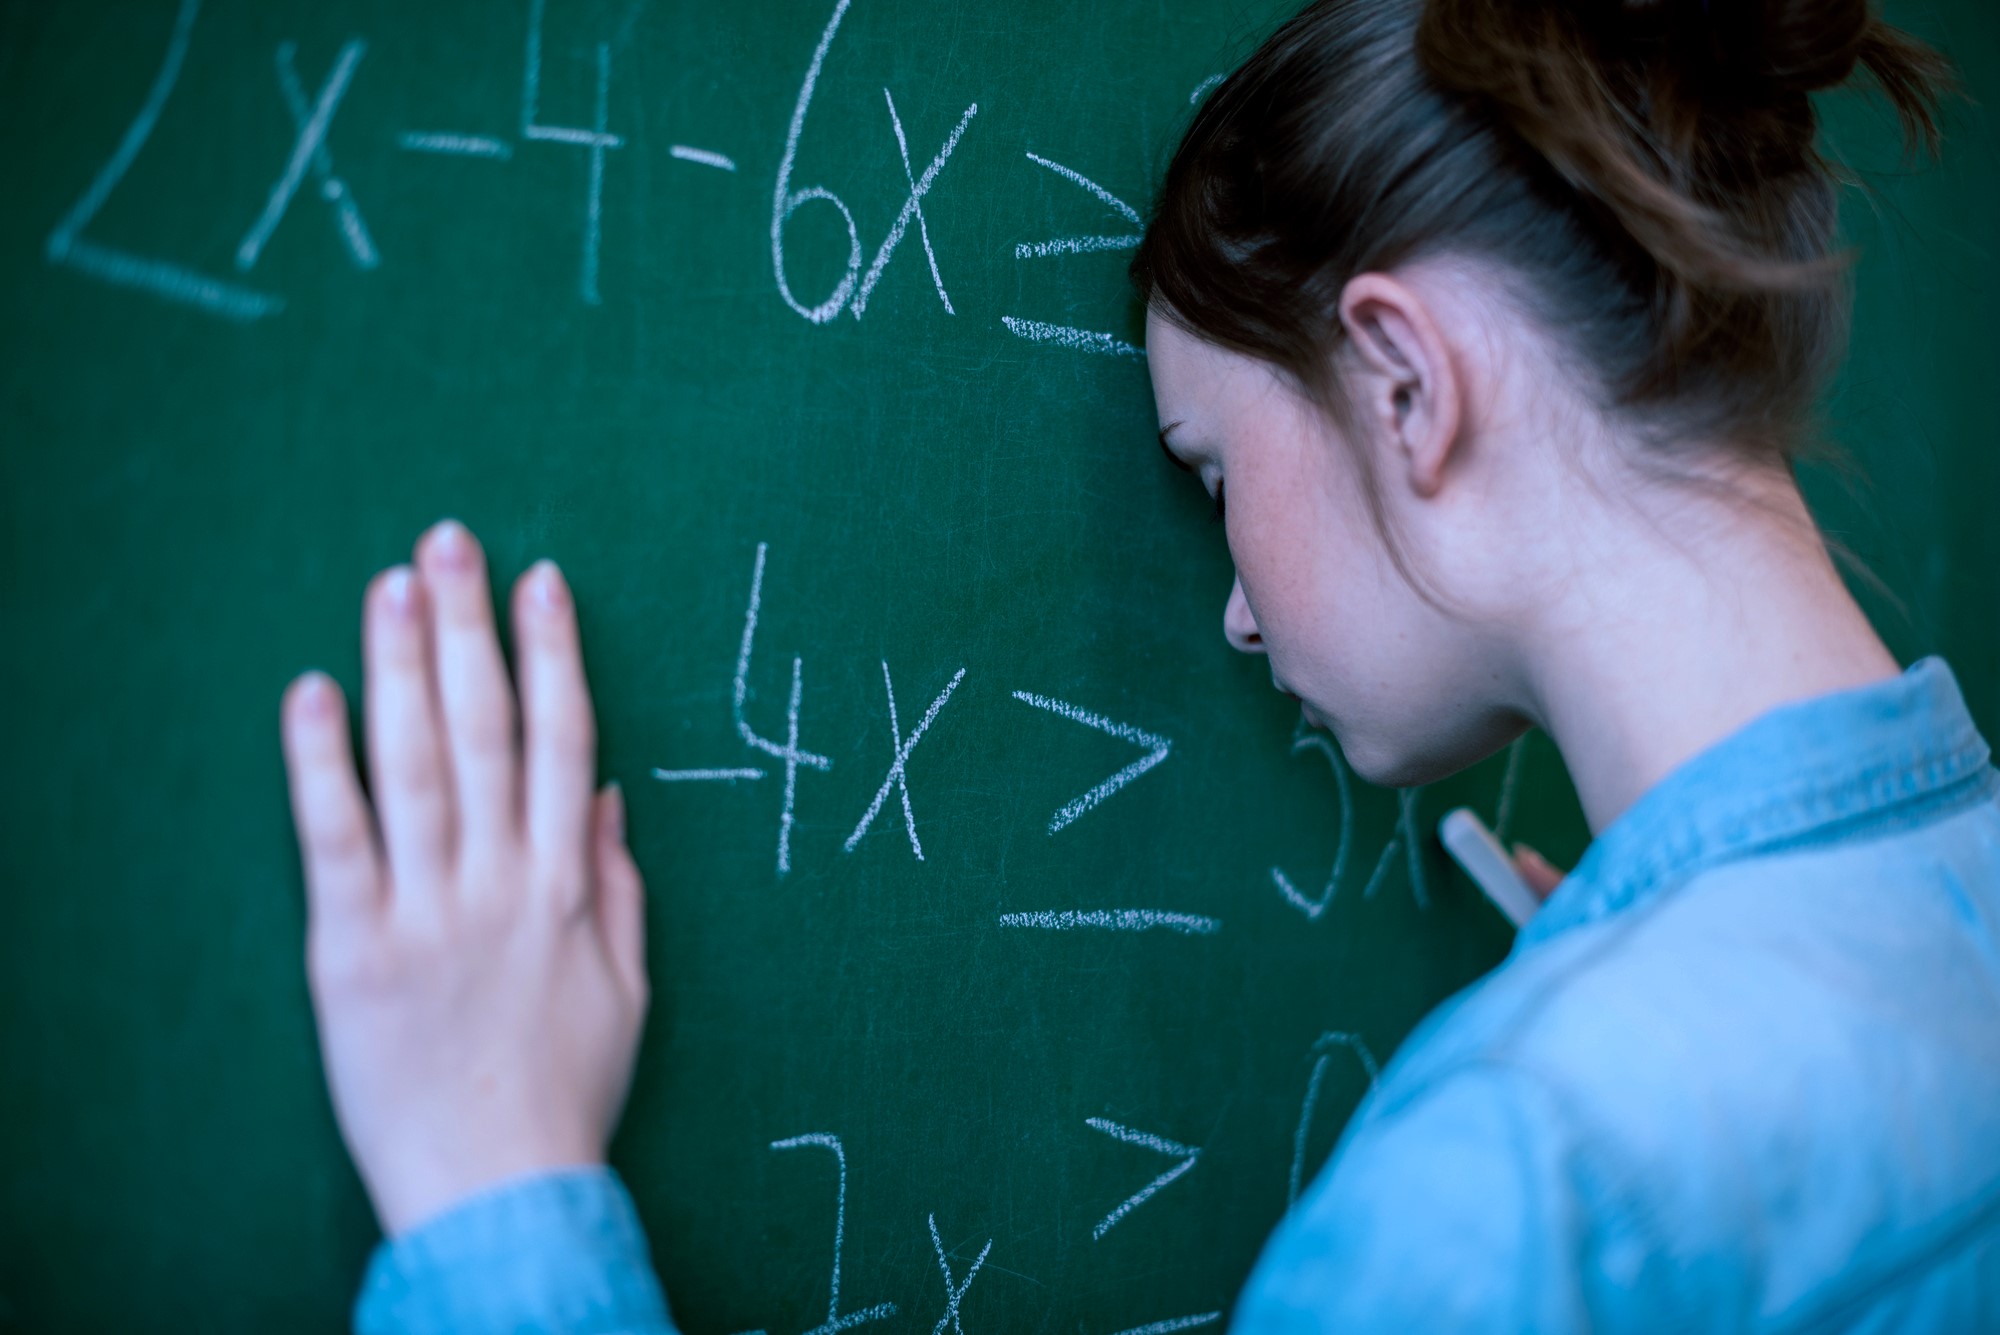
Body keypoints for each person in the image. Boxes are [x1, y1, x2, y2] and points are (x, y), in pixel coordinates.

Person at [278, 0, 1998, 1329]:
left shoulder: (1517, 1189)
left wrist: (493, 1201)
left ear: (1404, 382)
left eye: (1212, 470)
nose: (1235, 613)